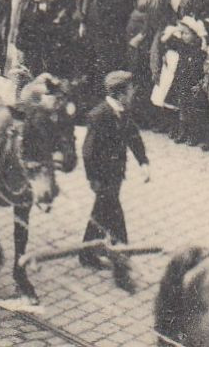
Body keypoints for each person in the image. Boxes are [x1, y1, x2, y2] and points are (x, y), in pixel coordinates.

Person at [79, 70, 149, 268]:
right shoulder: (99, 116)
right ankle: (121, 249)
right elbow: (88, 152)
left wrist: (143, 162)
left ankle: (88, 253)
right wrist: (93, 178)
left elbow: (133, 137)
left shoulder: (123, 111)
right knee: (112, 211)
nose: (133, 94)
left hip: (116, 174)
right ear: (119, 95)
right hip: (102, 176)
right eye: (130, 91)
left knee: (101, 212)